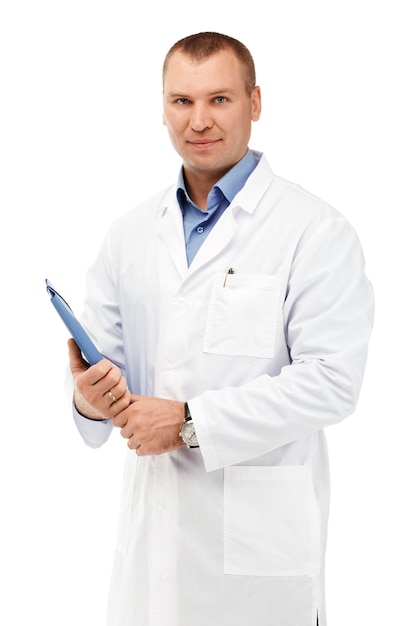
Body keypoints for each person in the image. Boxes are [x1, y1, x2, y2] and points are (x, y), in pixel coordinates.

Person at [68, 32, 374, 626]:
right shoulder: (129, 234)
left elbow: (333, 382)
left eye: (220, 100)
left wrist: (187, 421)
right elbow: (105, 378)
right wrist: (89, 399)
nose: (199, 120)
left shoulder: (314, 230)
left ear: (255, 103)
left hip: (260, 569)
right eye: (182, 102)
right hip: (151, 557)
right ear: (162, 109)